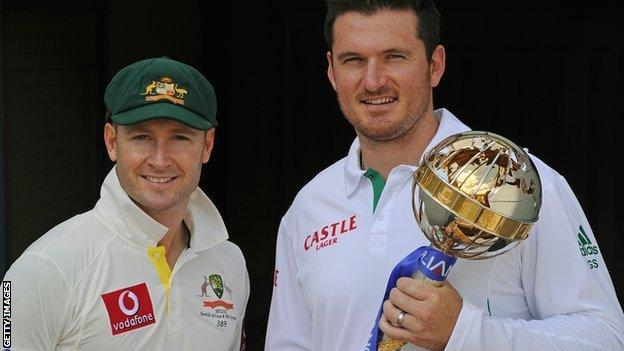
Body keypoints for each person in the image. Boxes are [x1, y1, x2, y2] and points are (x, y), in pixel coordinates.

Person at [265, 1, 624, 350]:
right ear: (331, 71)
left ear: (435, 65)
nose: (373, 81)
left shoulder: (516, 183)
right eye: (353, 60)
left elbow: (605, 337)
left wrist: (464, 332)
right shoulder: (308, 207)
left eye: (394, 57)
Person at [3, 57, 249, 350]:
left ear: (207, 145)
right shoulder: (43, 269)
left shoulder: (230, 262)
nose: (159, 160)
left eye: (180, 138)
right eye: (142, 137)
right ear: (111, 141)